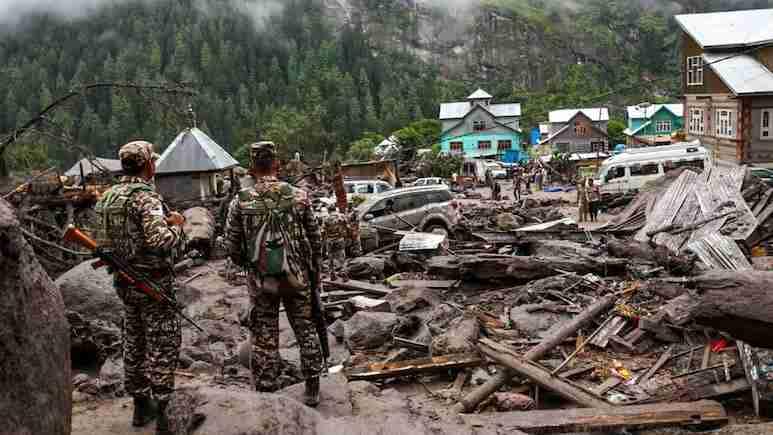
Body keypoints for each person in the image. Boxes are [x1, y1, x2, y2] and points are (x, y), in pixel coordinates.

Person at [94, 141, 185, 433]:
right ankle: (163, 413)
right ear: (148, 164)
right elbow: (160, 241)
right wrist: (178, 225)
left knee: (134, 341)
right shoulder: (146, 198)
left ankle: (139, 405)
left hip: (123, 282)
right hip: (153, 283)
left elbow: (101, 243)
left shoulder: (108, 197)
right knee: (162, 343)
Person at [225, 141, 323, 407]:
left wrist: (250, 265)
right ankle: (312, 387)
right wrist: (313, 269)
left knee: (265, 336)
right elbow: (315, 239)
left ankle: (267, 391)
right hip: (297, 276)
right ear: (276, 164)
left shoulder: (240, 202)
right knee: (306, 330)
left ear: (252, 167)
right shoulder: (299, 196)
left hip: (261, 280)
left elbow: (231, 245)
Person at [324, 206, 349, 281]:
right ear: (335, 209)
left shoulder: (326, 218)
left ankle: (332, 274)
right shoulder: (341, 216)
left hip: (330, 240)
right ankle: (344, 273)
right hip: (339, 239)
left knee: (330, 258)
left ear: (329, 210)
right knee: (341, 257)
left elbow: (323, 230)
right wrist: (347, 236)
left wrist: (324, 240)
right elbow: (347, 226)